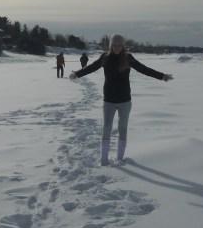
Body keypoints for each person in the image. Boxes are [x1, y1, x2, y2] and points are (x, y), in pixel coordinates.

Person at [70, 34, 173, 165]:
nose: (117, 47)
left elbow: (143, 69)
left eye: (119, 45)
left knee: (122, 128)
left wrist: (162, 76)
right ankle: (104, 160)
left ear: (123, 46)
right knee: (107, 128)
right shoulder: (105, 58)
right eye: (115, 45)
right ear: (111, 46)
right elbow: (92, 67)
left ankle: (120, 159)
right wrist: (77, 74)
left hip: (125, 101)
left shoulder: (128, 58)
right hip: (109, 101)